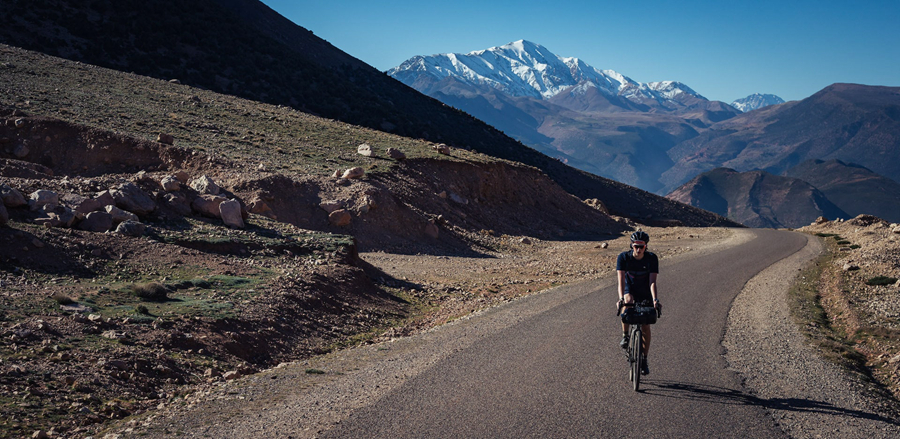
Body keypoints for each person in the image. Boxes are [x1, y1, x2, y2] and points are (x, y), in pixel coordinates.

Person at [616, 231, 661, 375]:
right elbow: (621, 281)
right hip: (630, 287)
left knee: (646, 325)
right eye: (636, 246)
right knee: (627, 302)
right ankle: (625, 335)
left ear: (646, 246)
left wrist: (655, 300)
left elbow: (652, 282)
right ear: (632, 245)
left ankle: (644, 359)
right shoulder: (623, 257)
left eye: (641, 247)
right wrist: (621, 298)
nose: (638, 249)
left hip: (645, 289)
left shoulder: (652, 258)